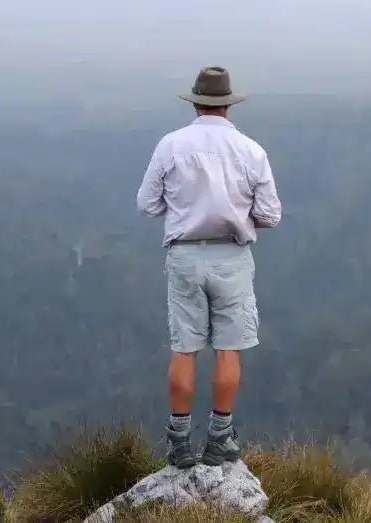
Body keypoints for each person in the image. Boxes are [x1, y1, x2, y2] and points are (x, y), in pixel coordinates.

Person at [136, 66, 282, 468]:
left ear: (196, 102)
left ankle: (179, 443)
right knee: (228, 349)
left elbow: (146, 204)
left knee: (184, 349)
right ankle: (220, 439)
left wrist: (184, 208)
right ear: (228, 105)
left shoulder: (170, 146)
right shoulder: (252, 151)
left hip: (184, 253)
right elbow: (271, 214)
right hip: (232, 256)